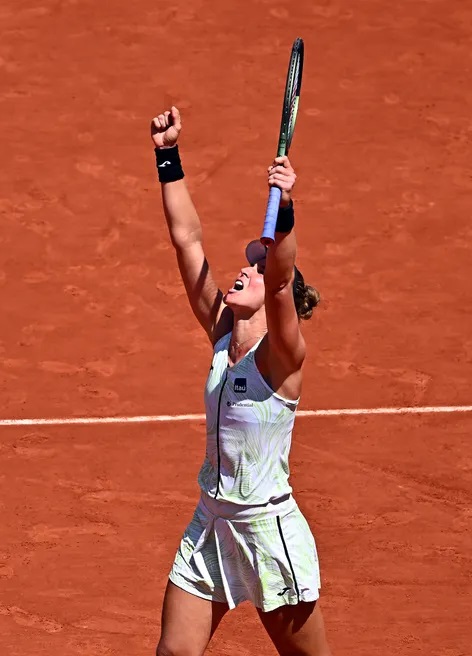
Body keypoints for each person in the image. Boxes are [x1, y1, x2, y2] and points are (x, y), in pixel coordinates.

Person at [149, 106, 332, 656]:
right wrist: (167, 153)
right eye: (248, 262)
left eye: (256, 266)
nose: (245, 268)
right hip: (213, 524)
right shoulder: (221, 331)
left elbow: (279, 280)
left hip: (268, 535)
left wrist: (288, 209)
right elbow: (187, 239)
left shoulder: (282, 356)